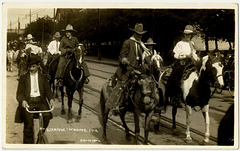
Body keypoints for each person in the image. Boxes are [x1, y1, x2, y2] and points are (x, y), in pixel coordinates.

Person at [107, 23, 149, 115]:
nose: (139, 36)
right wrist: (124, 60)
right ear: (134, 33)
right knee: (121, 86)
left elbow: (144, 57)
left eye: (141, 34)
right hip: (126, 70)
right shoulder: (127, 42)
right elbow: (122, 55)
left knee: (148, 83)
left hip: (138, 70)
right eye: (138, 34)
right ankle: (115, 105)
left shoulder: (142, 45)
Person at [15, 55, 54, 144]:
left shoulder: (43, 77)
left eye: (33, 66)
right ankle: (28, 145)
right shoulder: (23, 78)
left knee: (47, 116)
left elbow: (47, 90)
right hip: (29, 102)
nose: (31, 69)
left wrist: (51, 99)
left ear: (38, 66)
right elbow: (19, 93)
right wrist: (23, 101)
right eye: (30, 67)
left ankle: (41, 133)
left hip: (40, 102)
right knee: (28, 124)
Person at [165, 25, 200, 106]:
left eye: (190, 35)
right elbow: (175, 55)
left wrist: (197, 58)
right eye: (186, 35)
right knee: (177, 77)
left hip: (191, 64)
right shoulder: (180, 43)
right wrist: (184, 56)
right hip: (181, 63)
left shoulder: (192, 44)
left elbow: (193, 54)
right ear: (184, 35)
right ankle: (176, 97)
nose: (188, 36)